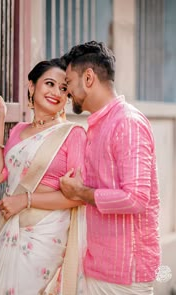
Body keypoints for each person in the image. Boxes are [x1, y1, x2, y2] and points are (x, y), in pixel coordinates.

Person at [59, 41, 160, 295]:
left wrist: (80, 192)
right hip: (99, 267)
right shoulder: (98, 126)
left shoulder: (126, 123)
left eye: (69, 81)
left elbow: (136, 198)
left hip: (124, 275)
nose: (66, 90)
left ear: (89, 78)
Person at [0, 58, 87, 295]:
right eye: (49, 83)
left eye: (63, 89)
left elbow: (79, 197)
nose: (56, 92)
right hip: (10, 231)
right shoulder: (19, 130)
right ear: (31, 86)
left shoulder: (73, 134)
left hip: (46, 238)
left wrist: (25, 200)